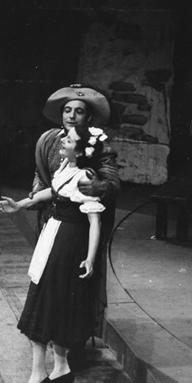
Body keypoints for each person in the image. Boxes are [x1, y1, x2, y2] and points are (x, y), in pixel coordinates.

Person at [0, 125, 108, 383]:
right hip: (54, 235)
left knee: (45, 301)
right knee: (49, 299)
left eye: (68, 140)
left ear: (81, 151)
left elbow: (95, 221)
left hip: (69, 243)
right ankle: (61, 368)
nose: (62, 142)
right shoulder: (65, 168)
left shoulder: (84, 177)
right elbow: (52, 193)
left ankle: (37, 375)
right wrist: (20, 204)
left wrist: (90, 258)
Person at [30, 85, 120, 363]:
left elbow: (112, 180)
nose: (71, 116)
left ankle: (74, 345)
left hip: (77, 227)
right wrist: (34, 191)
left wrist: (99, 186)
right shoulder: (49, 140)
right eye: (67, 111)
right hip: (51, 220)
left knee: (74, 286)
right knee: (48, 282)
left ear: (88, 118)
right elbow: (40, 172)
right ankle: (48, 337)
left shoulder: (98, 145)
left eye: (79, 111)